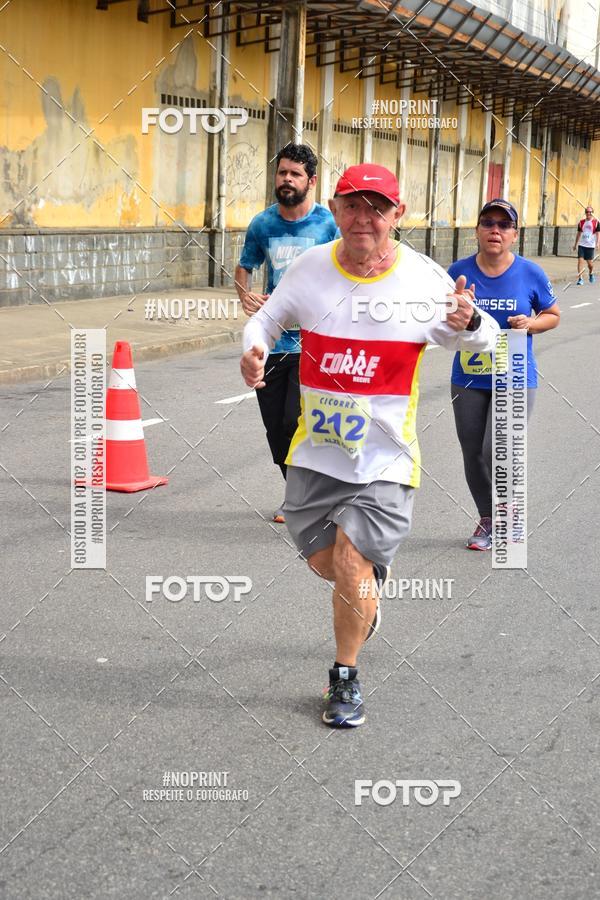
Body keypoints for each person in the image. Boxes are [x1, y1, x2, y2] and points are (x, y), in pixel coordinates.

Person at [240, 163, 499, 728]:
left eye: (377, 208)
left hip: (385, 460)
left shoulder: (423, 280)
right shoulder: (309, 270)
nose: (365, 218)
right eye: (353, 206)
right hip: (315, 454)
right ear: (335, 209)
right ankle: (364, 595)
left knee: (353, 562)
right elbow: (266, 320)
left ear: (397, 216)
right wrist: (253, 348)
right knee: (326, 563)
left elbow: (484, 337)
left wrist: (471, 319)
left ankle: (345, 676)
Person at [449, 199, 560, 551]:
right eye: (488, 223)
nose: (495, 230)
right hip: (469, 375)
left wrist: (530, 324)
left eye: (503, 224)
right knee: (472, 451)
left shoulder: (531, 273)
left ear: (514, 235)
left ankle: (508, 516)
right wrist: (455, 313)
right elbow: (439, 321)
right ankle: (488, 519)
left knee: (495, 448)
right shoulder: (458, 271)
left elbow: (552, 314)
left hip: (514, 374)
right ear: (477, 231)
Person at [234, 143, 337, 523]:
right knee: (274, 429)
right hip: (274, 342)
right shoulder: (263, 225)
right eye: (282, 173)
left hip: (315, 343)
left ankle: (305, 498)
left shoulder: (328, 224)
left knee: (296, 421)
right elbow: (244, 267)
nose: (287, 180)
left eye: (295, 174)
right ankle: (297, 493)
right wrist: (246, 297)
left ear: (310, 181)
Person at [573, 205, 600, 285]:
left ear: (592, 213)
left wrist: (598, 243)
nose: (588, 213)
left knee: (590, 264)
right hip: (582, 245)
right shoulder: (581, 222)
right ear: (585, 213)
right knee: (580, 261)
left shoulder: (596, 222)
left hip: (590, 246)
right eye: (587, 212)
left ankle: (591, 273)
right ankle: (580, 279)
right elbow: (578, 234)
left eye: (590, 212)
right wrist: (575, 244)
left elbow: (598, 234)